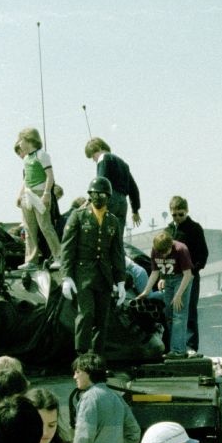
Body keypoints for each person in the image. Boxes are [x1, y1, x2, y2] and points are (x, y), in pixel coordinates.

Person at [60, 177, 126, 356]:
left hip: (104, 276)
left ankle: (97, 358)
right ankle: (82, 356)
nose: (98, 198)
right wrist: (66, 276)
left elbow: (117, 253)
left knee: (102, 319)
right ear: (89, 195)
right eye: (94, 194)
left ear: (108, 197)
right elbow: (67, 247)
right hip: (83, 275)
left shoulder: (113, 221)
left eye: (102, 194)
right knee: (86, 314)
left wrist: (121, 281)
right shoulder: (78, 216)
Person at [142, 230, 194, 358]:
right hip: (168, 280)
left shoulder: (181, 249)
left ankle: (178, 351)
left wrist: (179, 295)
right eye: (161, 253)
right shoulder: (155, 250)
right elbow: (155, 272)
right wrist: (146, 291)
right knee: (169, 316)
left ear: (171, 245)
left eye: (166, 252)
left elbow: (188, 274)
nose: (164, 255)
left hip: (181, 280)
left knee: (179, 315)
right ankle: (174, 348)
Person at [167, 196, 208, 354]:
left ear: (187, 211)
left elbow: (203, 254)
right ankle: (175, 346)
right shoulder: (168, 230)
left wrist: (193, 271)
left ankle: (191, 346)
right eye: (174, 215)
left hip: (189, 276)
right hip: (172, 278)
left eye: (180, 214)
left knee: (190, 310)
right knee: (172, 312)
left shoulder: (195, 229)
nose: (177, 218)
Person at [15, 128, 59, 267]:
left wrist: (46, 193)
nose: (19, 143)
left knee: (45, 226)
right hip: (28, 194)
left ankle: (59, 256)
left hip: (39, 194)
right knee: (29, 228)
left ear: (29, 139)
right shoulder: (26, 158)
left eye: (21, 140)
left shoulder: (41, 155)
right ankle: (31, 259)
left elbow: (50, 176)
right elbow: (26, 179)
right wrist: (20, 194)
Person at [84, 137, 140, 231]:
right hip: (123, 203)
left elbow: (101, 182)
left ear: (99, 148)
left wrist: (89, 201)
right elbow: (133, 188)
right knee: (117, 237)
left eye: (93, 156)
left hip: (110, 199)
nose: (94, 160)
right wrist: (135, 211)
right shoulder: (123, 164)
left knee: (102, 233)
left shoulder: (103, 158)